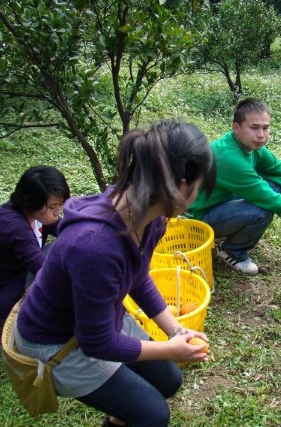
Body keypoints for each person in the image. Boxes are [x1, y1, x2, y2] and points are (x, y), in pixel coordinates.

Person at [15, 120, 216, 427]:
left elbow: (136, 275)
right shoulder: (95, 247)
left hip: (95, 322)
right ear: (182, 185)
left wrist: (175, 331)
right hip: (55, 343)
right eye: (199, 186)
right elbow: (97, 343)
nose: (197, 195)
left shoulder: (150, 215)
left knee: (169, 381)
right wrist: (169, 348)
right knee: (153, 415)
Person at [188, 97, 281, 275]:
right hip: (197, 218)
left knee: (275, 184)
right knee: (263, 207)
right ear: (236, 128)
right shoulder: (228, 157)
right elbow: (265, 197)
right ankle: (232, 250)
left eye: (265, 128)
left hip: (219, 201)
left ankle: (231, 233)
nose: (261, 135)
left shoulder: (252, 148)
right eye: (254, 128)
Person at [0, 165, 70, 325]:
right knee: (58, 267)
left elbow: (68, 230)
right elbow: (44, 270)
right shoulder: (14, 226)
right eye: (52, 207)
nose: (57, 212)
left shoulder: (35, 214)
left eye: (60, 205)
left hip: (16, 278)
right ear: (32, 201)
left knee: (63, 248)